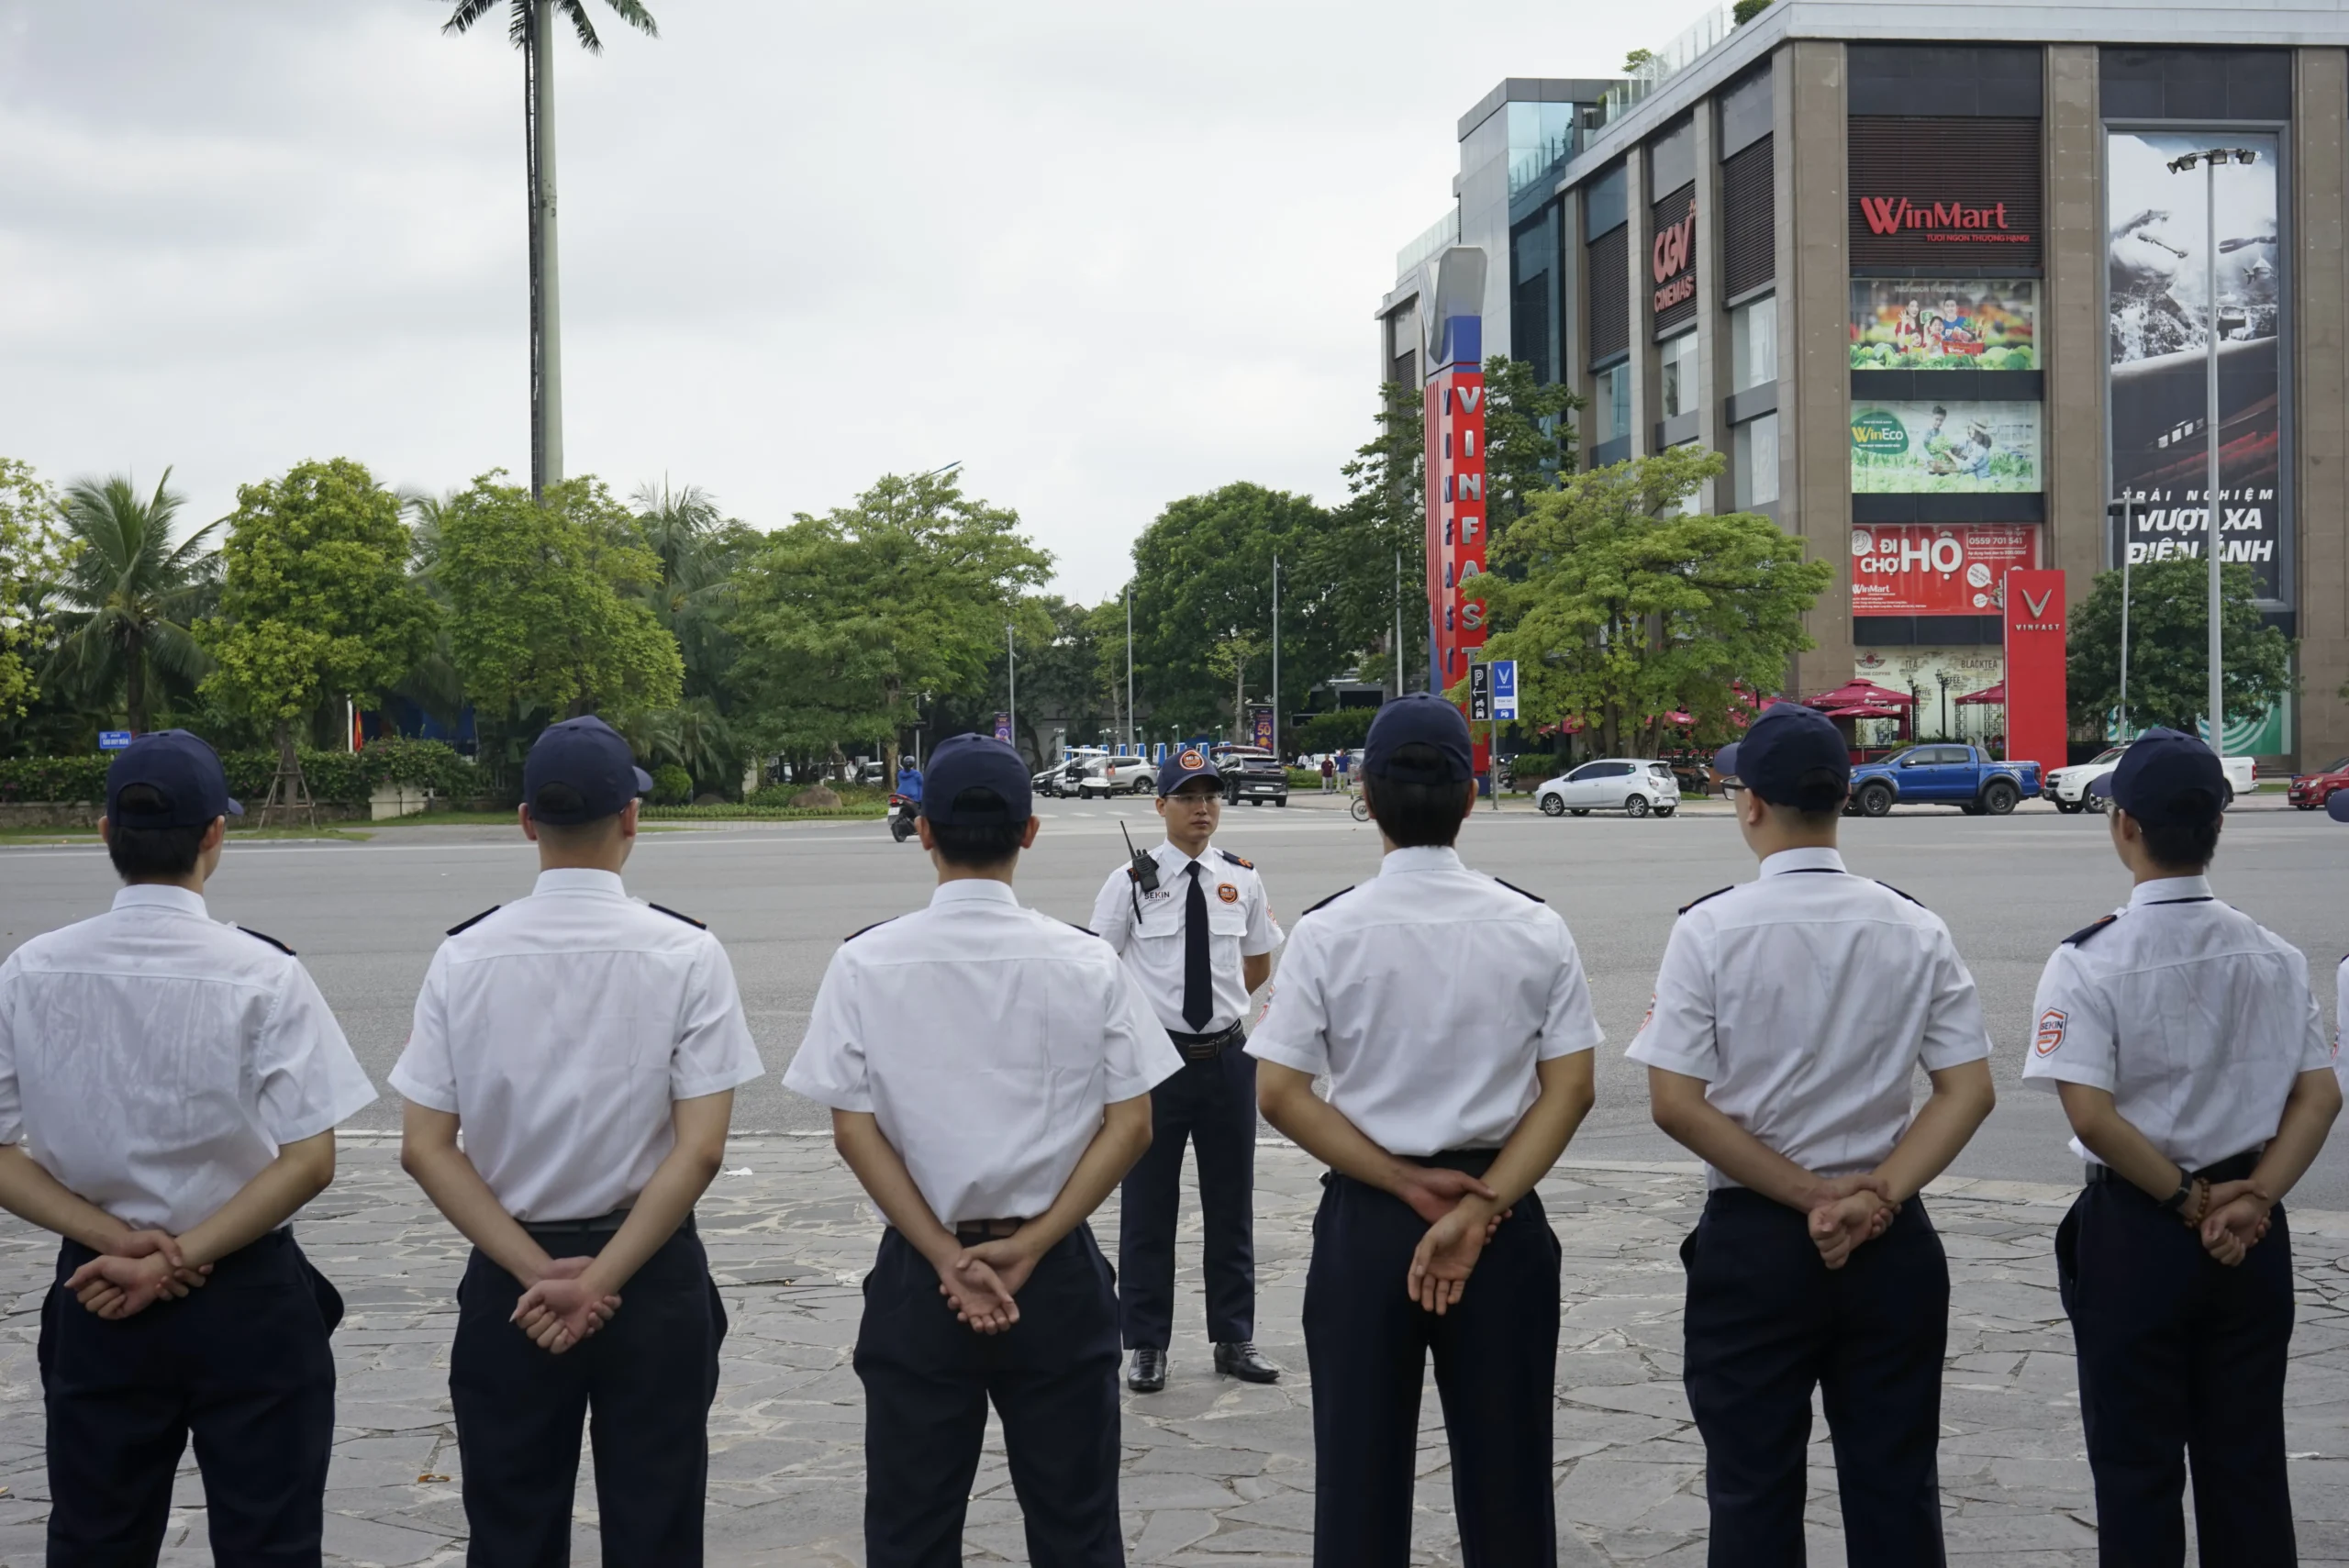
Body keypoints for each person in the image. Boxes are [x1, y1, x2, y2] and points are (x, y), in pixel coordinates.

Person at [786, 732, 1181, 1568]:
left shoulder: (865, 962)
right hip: (1056, 1267)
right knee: (1076, 1529)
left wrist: (942, 1254)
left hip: (920, 1271)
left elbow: (852, 1130)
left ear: (922, 830)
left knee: (911, 1530)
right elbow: (1132, 1123)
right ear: (1029, 831)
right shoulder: (1086, 962)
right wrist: (1033, 1245)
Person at [1628, 700, 1996, 1565]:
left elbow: (1675, 1102)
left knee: (1752, 1486)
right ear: (1838, 801)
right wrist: (1872, 1196)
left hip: (1758, 1241)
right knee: (1896, 1484)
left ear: (1751, 804)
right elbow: (1966, 1090)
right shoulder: (1913, 924)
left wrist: (1809, 1197)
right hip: (1888, 1233)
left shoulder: (1709, 928)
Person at [392, 715, 763, 1568]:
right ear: (631, 816)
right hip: (650, 1270)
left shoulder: (465, 955)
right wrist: (601, 1278)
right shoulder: (687, 952)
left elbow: (425, 1145)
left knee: (512, 1528)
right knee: (657, 1525)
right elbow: (700, 1150)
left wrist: (538, 1272)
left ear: (527, 821)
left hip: (512, 1279)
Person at [0, 729, 377, 1566]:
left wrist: (118, 1245)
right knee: (269, 1539)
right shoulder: (263, 972)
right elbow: (310, 1158)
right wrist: (180, 1256)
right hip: (243, 1290)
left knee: (96, 1537)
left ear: (105, 833)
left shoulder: (31, 970)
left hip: (97, 1288)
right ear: (216, 834)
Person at [1251, 694, 1601, 1567]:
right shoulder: (1534, 924)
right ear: (1471, 796)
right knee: (1511, 1482)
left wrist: (1407, 1186)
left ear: (1364, 794)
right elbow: (1571, 1089)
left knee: (1358, 1488)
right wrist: (1479, 1209)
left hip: (1372, 1219)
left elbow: (1282, 1093)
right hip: (1501, 1211)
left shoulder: (1329, 931)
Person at [2027, 728, 2341, 1568]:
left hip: (2139, 1225)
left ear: (2122, 825)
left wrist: (2186, 1200)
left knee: (2135, 1471)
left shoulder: (2088, 960)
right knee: (2248, 1466)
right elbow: (2319, 1094)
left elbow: (2092, 1115)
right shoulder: (2273, 954)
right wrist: (2255, 1196)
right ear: (2218, 828)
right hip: (2251, 1233)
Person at [1091, 747, 1283, 1394]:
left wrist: (1224, 1013)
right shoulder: (1128, 882)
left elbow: (1255, 964)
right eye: (1188, 796)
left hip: (1227, 1058)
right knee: (1149, 1206)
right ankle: (1145, 1342)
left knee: (1232, 1203)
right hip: (1156, 1063)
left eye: (1211, 796)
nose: (1203, 808)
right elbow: (1101, 972)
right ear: (1160, 804)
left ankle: (1234, 1335)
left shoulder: (1243, 878)